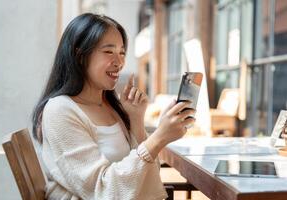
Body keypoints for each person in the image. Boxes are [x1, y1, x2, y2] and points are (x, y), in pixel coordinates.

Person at [32, 13, 195, 200]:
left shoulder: (110, 106)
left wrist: (136, 120)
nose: (119, 62)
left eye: (122, 52)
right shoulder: (60, 110)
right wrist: (159, 137)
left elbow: (148, 173)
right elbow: (102, 190)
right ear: (79, 55)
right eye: (109, 51)